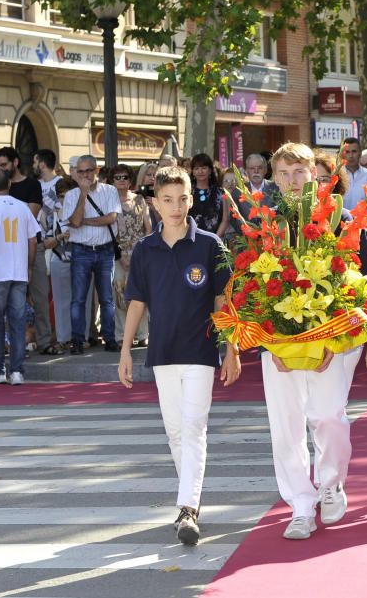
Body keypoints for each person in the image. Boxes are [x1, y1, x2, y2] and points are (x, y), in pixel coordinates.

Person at [259, 142, 367, 541]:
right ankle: (299, 503)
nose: (292, 181)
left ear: (315, 174)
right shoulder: (266, 224)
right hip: (279, 345)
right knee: (286, 427)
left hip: (334, 342)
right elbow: (252, 288)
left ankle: (331, 482)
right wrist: (272, 345)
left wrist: (340, 339)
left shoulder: (343, 220)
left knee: (328, 416)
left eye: (299, 172)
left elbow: (366, 285)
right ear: (274, 179)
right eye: (284, 173)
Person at [119, 165, 241, 545]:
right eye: (167, 200)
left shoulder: (209, 245)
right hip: (162, 351)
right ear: (155, 203)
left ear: (192, 199)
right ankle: (190, 498)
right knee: (175, 431)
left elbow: (224, 300)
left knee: (193, 428)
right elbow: (136, 303)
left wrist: (233, 347)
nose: (175, 207)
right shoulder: (145, 249)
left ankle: (187, 507)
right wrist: (125, 350)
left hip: (201, 350)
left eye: (182, 198)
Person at [0, 170, 40, 385]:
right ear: (9, 184)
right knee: (17, 322)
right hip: (19, 271)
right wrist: (30, 266)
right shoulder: (22, 207)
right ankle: (17, 371)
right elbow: (33, 240)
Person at [62, 154, 121, 354]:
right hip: (81, 251)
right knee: (78, 299)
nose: (85, 175)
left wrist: (86, 221)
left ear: (96, 170)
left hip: (105, 251)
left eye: (88, 170)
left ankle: (110, 339)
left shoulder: (110, 190)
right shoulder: (71, 196)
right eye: (81, 171)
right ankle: (77, 341)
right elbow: (75, 222)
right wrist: (83, 195)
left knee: (107, 298)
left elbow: (111, 218)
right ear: (76, 173)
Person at [111, 163, 152, 347]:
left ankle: (143, 333)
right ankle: (121, 335)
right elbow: (109, 233)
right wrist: (120, 256)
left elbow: (148, 228)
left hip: (139, 254)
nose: (121, 181)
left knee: (140, 295)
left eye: (125, 177)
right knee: (119, 296)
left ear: (130, 180)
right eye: (117, 177)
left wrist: (144, 252)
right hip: (118, 255)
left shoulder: (139, 200)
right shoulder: (109, 202)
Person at [44, 177, 80, 354]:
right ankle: (63, 338)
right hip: (59, 258)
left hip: (81, 259)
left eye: (68, 196)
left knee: (82, 300)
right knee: (61, 302)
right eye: (61, 196)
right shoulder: (51, 213)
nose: (64, 200)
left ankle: (81, 337)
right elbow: (45, 242)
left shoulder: (83, 210)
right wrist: (59, 237)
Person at [31, 149, 60, 354]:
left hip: (57, 245)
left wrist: (55, 237)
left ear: (41, 163)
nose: (33, 165)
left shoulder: (60, 184)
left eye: (34, 161)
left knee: (52, 297)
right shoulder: (36, 186)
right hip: (39, 243)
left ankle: (55, 337)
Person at [188, 153, 229, 237]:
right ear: (193, 172)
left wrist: (215, 239)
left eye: (204, 168)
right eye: (196, 168)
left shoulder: (221, 192)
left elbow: (225, 220)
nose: (200, 171)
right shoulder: (187, 192)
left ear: (210, 170)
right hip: (190, 239)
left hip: (214, 240)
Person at [341, 137, 367, 210]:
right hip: (342, 219)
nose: (351, 156)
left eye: (354, 151)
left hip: (364, 220)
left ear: (360, 153)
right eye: (347, 152)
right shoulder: (337, 175)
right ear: (342, 154)